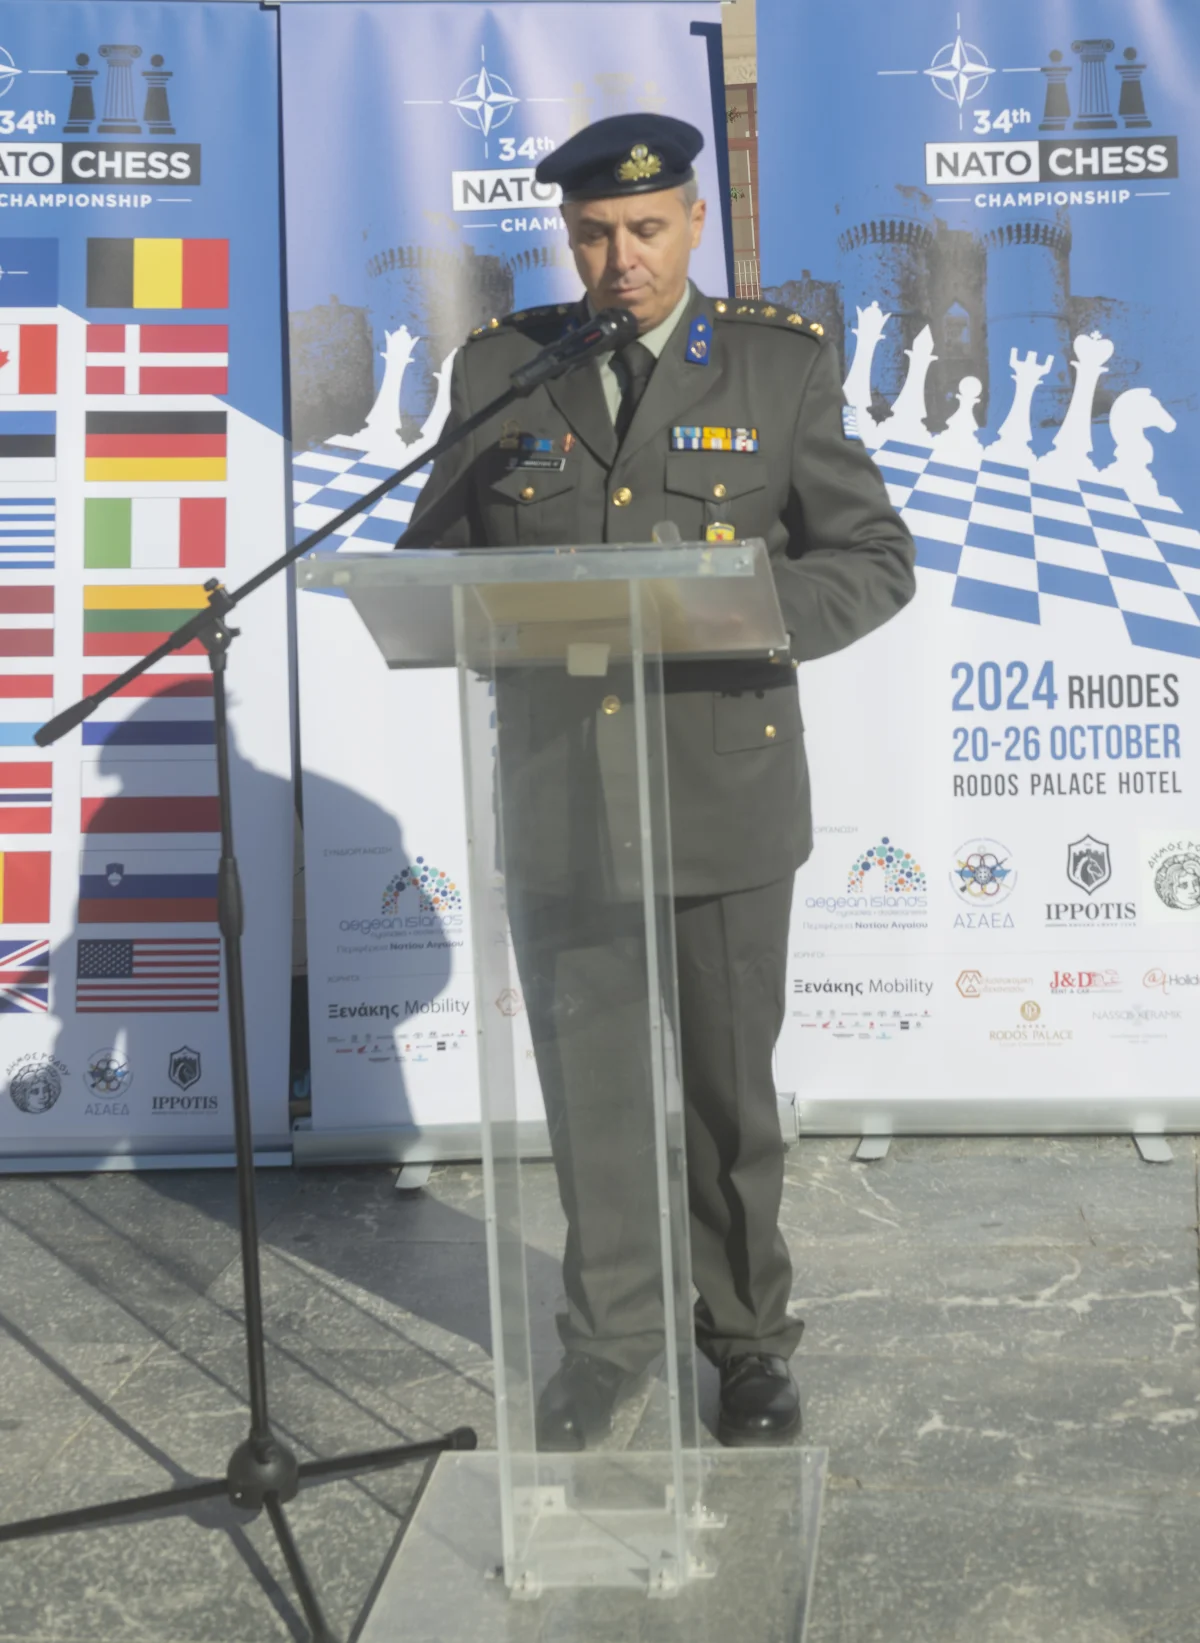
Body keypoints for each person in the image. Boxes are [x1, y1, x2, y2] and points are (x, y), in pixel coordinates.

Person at [401, 112, 916, 1448]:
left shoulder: (774, 365)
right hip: (564, 790)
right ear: (566, 236)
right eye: (592, 234)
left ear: (694, 223)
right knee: (594, 1094)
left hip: (720, 794)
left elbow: (872, 559)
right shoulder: (504, 368)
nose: (619, 257)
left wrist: (738, 612)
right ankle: (611, 1340)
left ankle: (745, 1342)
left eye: (644, 228)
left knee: (727, 1099)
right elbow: (431, 564)